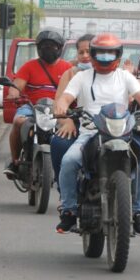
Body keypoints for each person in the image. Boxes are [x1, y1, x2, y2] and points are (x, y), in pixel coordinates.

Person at [54, 33, 140, 236]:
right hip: (90, 132)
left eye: (110, 54)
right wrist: (61, 107)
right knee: (69, 161)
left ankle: (138, 212)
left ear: (117, 55)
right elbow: (65, 97)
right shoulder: (82, 76)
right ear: (94, 54)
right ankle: (69, 210)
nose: (105, 58)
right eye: (101, 54)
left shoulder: (125, 76)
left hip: (122, 132)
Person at [4, 28, 71, 178]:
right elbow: (17, 86)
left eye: (52, 46)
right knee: (18, 121)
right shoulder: (29, 66)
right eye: (44, 46)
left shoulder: (68, 68)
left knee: (72, 128)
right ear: (38, 48)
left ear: (59, 48)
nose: (48, 49)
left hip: (58, 109)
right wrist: (13, 93)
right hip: (32, 107)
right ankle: (14, 161)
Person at [51, 33, 94, 181]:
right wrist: (66, 121)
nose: (85, 55)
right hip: (76, 122)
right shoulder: (70, 74)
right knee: (60, 143)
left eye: (89, 51)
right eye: (81, 52)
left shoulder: (115, 74)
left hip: (105, 124)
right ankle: (63, 187)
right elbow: (59, 103)